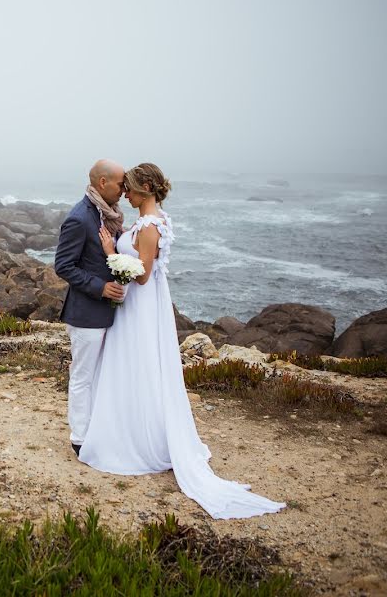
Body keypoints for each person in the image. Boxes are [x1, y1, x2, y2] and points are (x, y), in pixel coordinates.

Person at [78, 163, 286, 520]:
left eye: (129, 188)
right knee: (136, 367)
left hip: (139, 308)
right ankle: (133, 427)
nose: (125, 193)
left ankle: (138, 441)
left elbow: (141, 277)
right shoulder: (154, 220)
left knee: (138, 366)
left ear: (145, 187)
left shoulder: (149, 225)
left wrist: (113, 252)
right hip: (140, 309)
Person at [54, 159, 127, 457]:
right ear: (102, 183)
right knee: (83, 376)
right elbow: (63, 265)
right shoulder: (79, 218)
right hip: (86, 313)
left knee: (100, 375)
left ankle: (97, 430)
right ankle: (80, 438)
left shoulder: (107, 214)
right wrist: (100, 287)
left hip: (107, 313)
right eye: (121, 183)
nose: (124, 189)